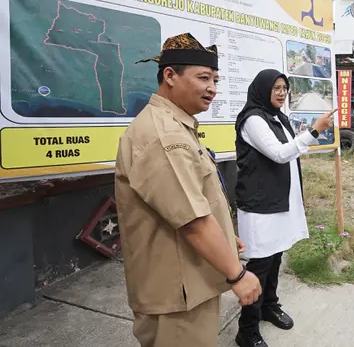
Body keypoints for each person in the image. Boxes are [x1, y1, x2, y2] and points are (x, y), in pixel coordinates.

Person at [115, 33, 262, 347]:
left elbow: (193, 199)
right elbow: (193, 222)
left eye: (215, 80)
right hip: (177, 295)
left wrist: (223, 233)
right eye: (203, 77)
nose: (212, 88)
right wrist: (238, 275)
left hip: (190, 283)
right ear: (170, 76)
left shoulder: (176, 124)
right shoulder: (164, 135)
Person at [233, 69, 336, 347]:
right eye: (276, 87)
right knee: (260, 265)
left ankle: (269, 305)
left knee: (276, 257)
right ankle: (247, 329)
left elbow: (290, 150)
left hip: (279, 201)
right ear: (262, 89)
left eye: (284, 88)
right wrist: (314, 131)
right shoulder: (253, 120)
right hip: (260, 206)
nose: (281, 92)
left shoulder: (277, 117)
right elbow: (279, 154)